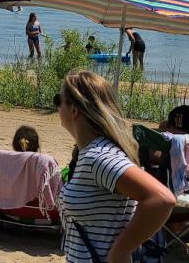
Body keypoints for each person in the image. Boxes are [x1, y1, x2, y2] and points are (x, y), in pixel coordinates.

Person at [57, 70, 175, 263]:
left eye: (58, 100)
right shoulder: (88, 154)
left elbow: (162, 199)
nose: (56, 107)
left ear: (74, 110)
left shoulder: (99, 156)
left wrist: (121, 251)